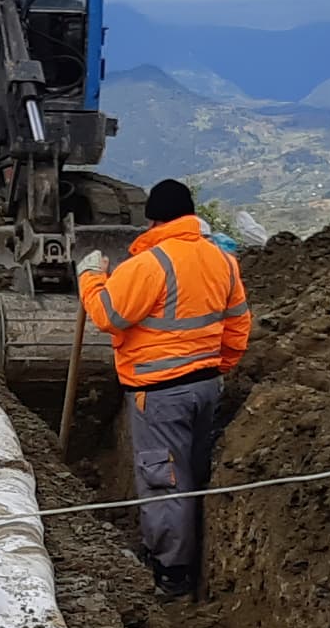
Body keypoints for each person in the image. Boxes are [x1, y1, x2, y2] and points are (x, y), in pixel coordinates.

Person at [77, 178, 253, 600]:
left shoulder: (148, 265)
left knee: (165, 482)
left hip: (159, 395)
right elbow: (238, 325)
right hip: (207, 386)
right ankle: (187, 557)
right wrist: (218, 368)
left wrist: (90, 277)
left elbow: (107, 315)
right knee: (191, 472)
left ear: (152, 218)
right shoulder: (222, 260)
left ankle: (171, 574)